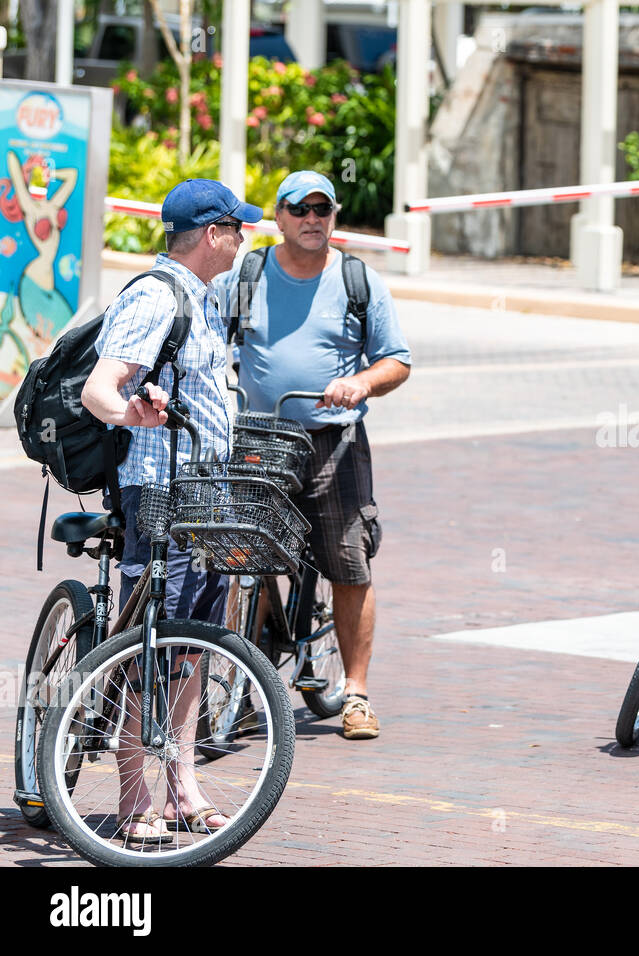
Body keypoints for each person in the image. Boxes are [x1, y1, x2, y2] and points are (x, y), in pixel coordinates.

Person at [82, 178, 263, 844]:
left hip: (206, 491)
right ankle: (133, 798)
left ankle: (182, 786)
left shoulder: (207, 300)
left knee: (193, 647)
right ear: (213, 234)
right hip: (159, 489)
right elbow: (102, 387)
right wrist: (129, 411)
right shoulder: (156, 296)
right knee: (149, 646)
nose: (245, 240)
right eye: (238, 229)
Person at [216, 170, 411, 740]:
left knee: (349, 564)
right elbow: (206, 335)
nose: (311, 220)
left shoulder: (357, 279)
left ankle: (355, 695)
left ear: (334, 215)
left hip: (333, 443)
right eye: (300, 210)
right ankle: (245, 681)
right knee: (240, 562)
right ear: (278, 217)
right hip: (257, 442)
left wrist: (363, 383)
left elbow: (396, 359)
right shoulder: (246, 274)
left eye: (322, 210)